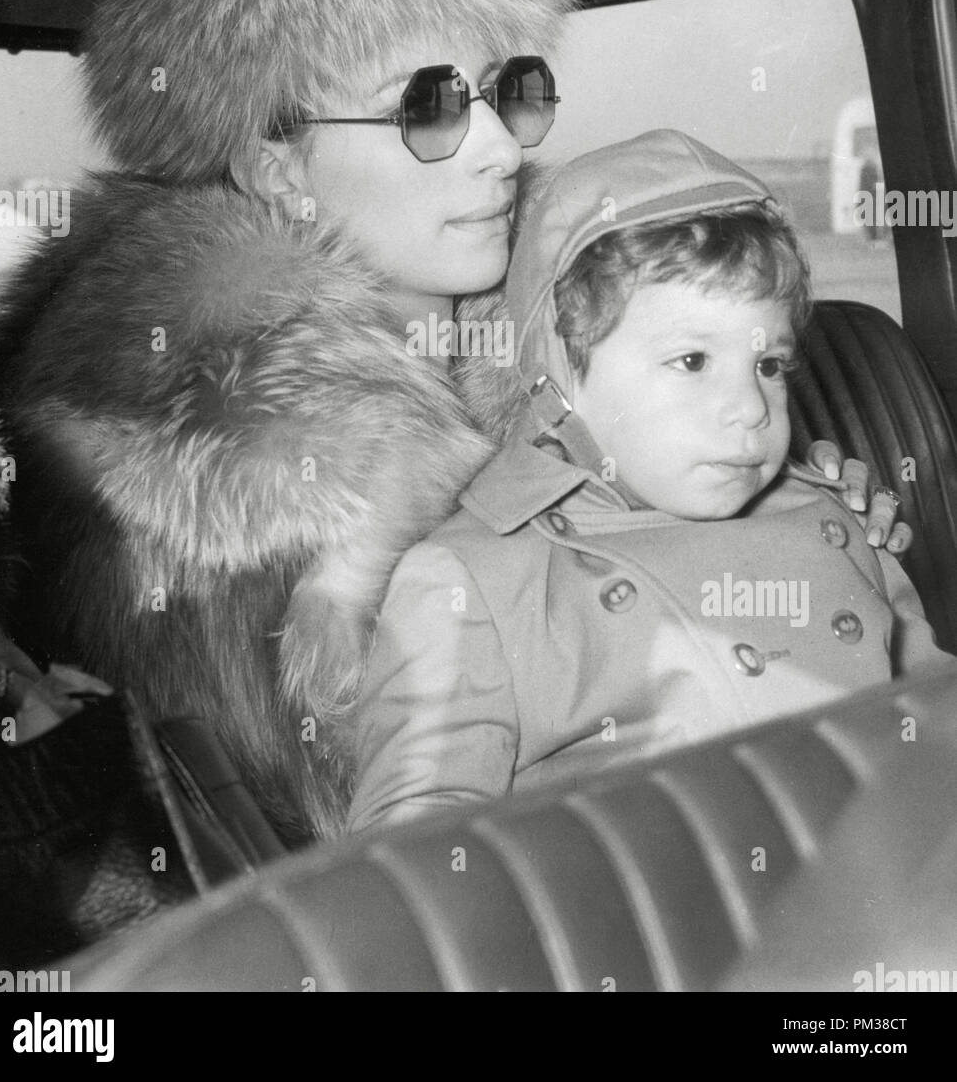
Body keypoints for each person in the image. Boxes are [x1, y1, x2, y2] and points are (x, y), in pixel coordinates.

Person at [0, 0, 905, 844]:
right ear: (278, 163)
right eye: (426, 103)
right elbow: (372, 858)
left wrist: (792, 516)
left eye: (508, 87)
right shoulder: (221, 477)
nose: (499, 149)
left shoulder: (574, 327)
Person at [346, 131, 952, 833]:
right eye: (692, 361)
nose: (752, 409)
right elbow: (411, 863)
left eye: (769, 365)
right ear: (558, 377)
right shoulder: (472, 582)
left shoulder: (839, 520)